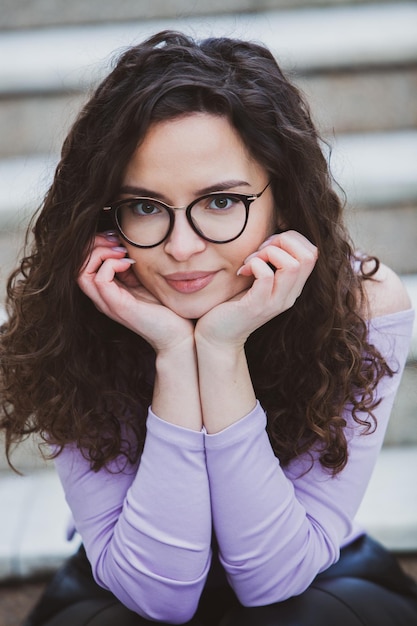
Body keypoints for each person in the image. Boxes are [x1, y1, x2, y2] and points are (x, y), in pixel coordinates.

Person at [1, 29, 416, 626]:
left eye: (220, 201)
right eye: (145, 206)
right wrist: (174, 353)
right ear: (105, 217)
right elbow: (158, 597)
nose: (182, 247)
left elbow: (274, 578)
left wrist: (222, 350)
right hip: (126, 578)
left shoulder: (362, 304)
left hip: (321, 575)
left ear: (283, 199)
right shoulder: (74, 312)